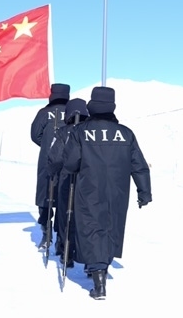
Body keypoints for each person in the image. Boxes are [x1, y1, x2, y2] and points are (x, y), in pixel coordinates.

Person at [62, 86, 152, 300]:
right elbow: (139, 166)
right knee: (111, 228)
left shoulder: (80, 131)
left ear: (92, 106)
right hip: (118, 191)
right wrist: (144, 191)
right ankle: (100, 267)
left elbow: (71, 163)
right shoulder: (126, 133)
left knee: (92, 227)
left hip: (89, 189)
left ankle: (98, 279)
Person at [47, 96, 89, 266]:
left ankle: (66, 251)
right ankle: (86, 254)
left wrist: (52, 172)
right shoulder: (89, 131)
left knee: (66, 214)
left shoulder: (62, 132)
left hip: (66, 178)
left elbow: (55, 158)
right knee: (85, 216)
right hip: (88, 180)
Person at [30, 82, 70, 244]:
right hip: (69, 161)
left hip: (47, 160)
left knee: (45, 195)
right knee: (65, 197)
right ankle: (61, 238)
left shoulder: (44, 113)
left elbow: (35, 135)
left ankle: (46, 232)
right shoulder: (73, 112)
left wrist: (48, 145)